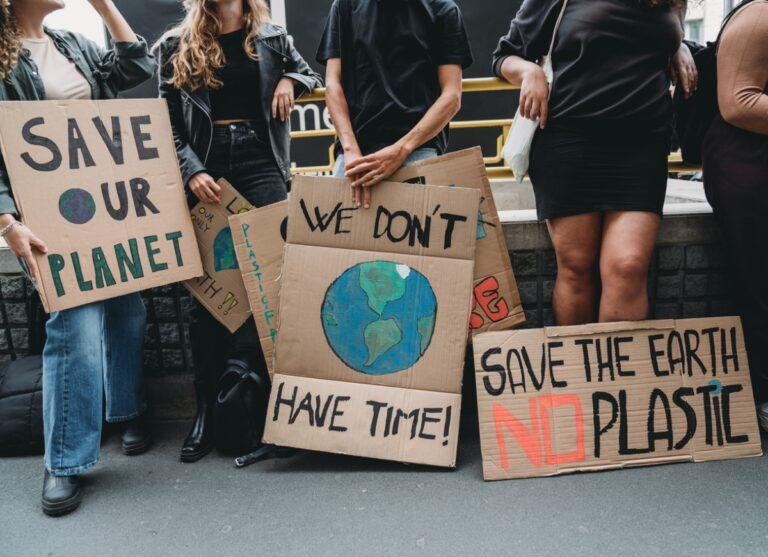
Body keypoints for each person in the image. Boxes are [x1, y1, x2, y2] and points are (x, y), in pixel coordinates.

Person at [0, 0, 155, 516]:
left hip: (102, 206)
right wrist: (6, 220)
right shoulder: (3, 59)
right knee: (75, 328)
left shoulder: (71, 43)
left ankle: (125, 411)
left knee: (127, 308)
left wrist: (106, 8)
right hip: (46, 215)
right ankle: (63, 461)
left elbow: (137, 68)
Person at [155, 0, 322, 462]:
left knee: (275, 283)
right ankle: (207, 410)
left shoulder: (272, 39)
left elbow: (314, 76)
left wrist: (291, 79)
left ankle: (274, 407)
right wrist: (189, 169)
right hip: (207, 167)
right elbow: (164, 123)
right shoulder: (174, 44)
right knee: (207, 293)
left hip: (261, 160)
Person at [492, 0, 697, 326]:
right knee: (576, 267)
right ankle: (575, 374)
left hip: (642, 146)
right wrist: (529, 71)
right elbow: (505, 55)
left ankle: (620, 377)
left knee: (628, 266)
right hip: (569, 140)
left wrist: (679, 46)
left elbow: (658, 36)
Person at [317, 0, 473, 209]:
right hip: (356, 153)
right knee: (326, 239)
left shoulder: (443, 9)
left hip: (417, 149)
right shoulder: (345, 5)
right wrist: (350, 149)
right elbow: (332, 85)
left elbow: (452, 96)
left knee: (426, 239)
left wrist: (402, 149)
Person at [702, 0, 768, 431]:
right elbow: (738, 102)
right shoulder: (760, 15)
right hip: (750, 166)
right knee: (759, 280)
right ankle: (764, 392)